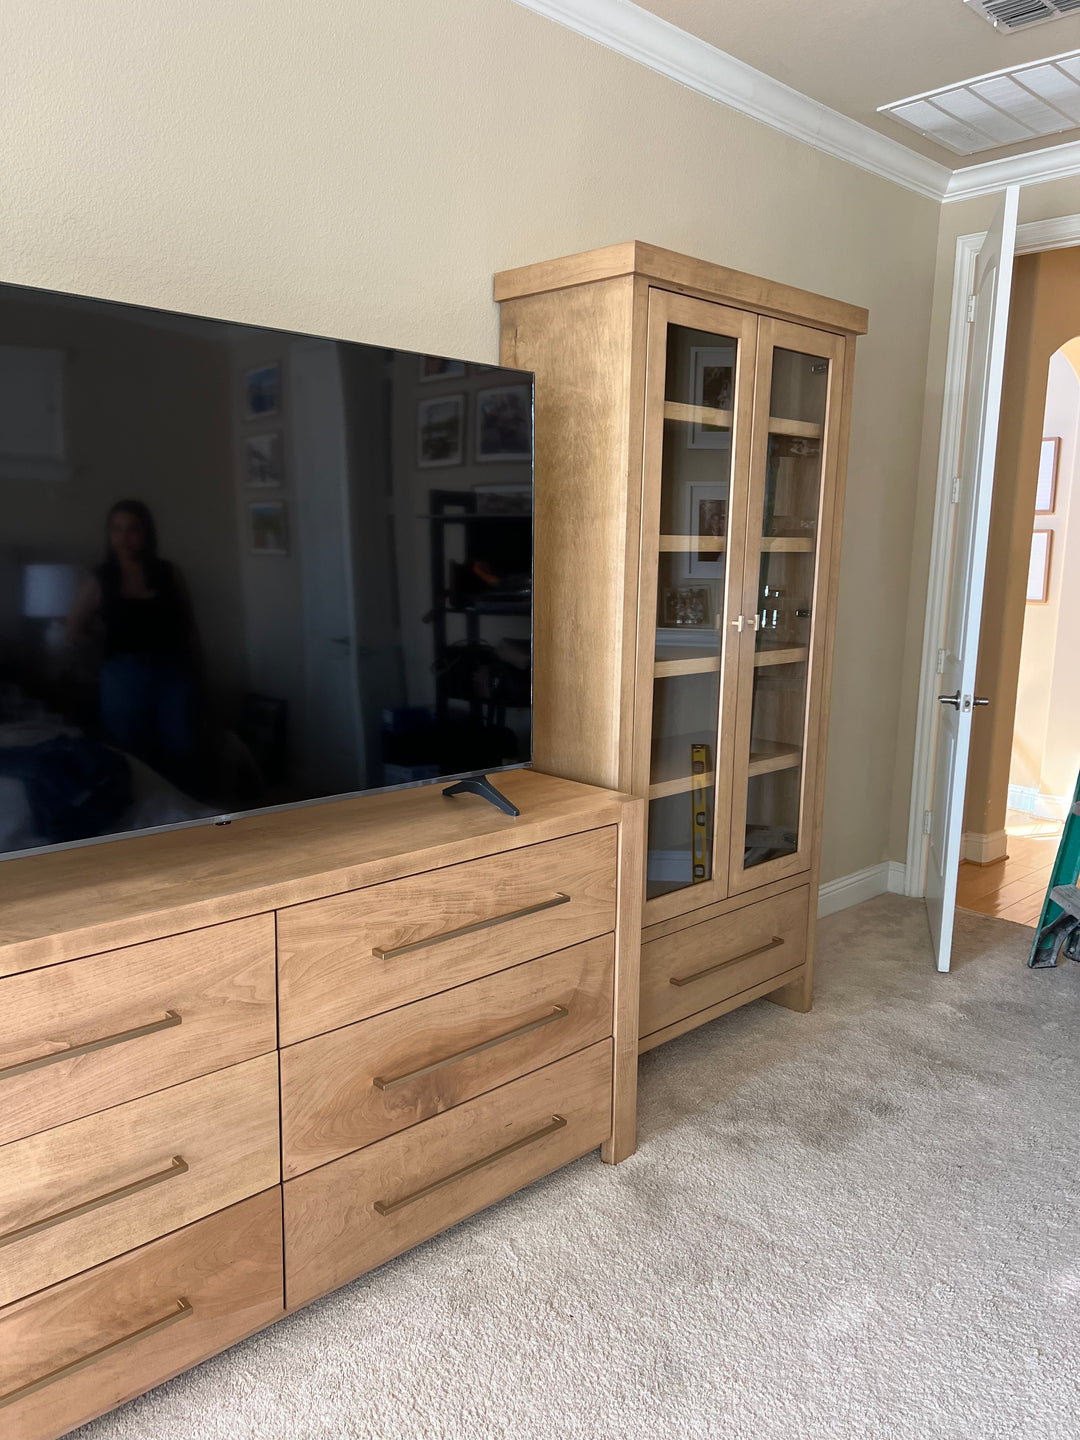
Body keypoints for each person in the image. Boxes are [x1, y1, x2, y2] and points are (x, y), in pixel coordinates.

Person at [67, 500, 202, 794]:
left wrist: (197, 671)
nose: (124, 537)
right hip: (125, 675)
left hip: (172, 672)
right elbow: (74, 628)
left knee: (180, 750)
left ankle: (185, 821)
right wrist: (104, 645)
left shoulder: (168, 573)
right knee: (130, 753)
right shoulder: (101, 578)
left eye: (132, 529)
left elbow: (189, 626)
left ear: (146, 533)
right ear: (109, 534)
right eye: (116, 529)